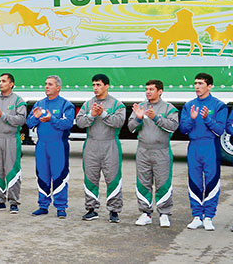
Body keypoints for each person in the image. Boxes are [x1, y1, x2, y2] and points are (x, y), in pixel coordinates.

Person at [179, 72, 228, 231]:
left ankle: (208, 217)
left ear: (210, 86)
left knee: (212, 181)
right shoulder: (189, 105)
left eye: (200, 83)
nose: (197, 87)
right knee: (194, 181)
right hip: (194, 147)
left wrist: (207, 118)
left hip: (210, 147)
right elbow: (183, 129)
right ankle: (197, 216)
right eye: (195, 83)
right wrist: (192, 118)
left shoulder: (219, 105)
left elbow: (220, 130)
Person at [75, 74, 127, 222]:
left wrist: (103, 114)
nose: (95, 88)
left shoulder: (117, 104)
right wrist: (91, 115)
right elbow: (79, 122)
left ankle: (114, 211)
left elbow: (119, 122)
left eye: (98, 85)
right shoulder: (87, 104)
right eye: (94, 85)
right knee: (90, 177)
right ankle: (91, 209)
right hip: (91, 144)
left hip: (110, 144)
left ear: (106, 86)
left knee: (113, 178)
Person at [128, 79, 179, 228]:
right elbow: (130, 128)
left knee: (163, 182)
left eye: (151, 89)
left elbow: (173, 127)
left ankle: (164, 214)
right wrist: (138, 118)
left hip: (161, 150)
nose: (148, 92)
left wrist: (155, 118)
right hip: (143, 150)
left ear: (160, 91)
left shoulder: (169, 108)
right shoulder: (140, 107)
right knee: (143, 182)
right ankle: (146, 213)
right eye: (147, 89)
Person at [28, 75, 75, 218]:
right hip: (42, 145)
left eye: (50, 84)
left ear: (58, 88)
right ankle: (43, 205)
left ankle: (61, 207)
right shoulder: (39, 104)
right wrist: (35, 117)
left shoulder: (66, 105)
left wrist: (51, 119)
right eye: (45, 84)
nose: (46, 86)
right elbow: (29, 123)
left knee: (59, 174)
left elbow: (67, 124)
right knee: (42, 175)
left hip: (58, 145)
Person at [0, 73, 26, 213]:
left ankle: (14, 202)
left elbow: (21, 120)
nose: (0, 83)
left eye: (4, 81)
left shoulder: (18, 101)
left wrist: (2, 115)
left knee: (11, 170)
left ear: (11, 84)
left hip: (11, 139)